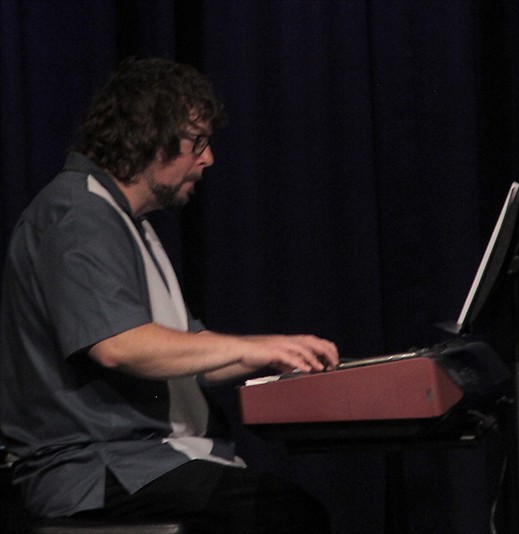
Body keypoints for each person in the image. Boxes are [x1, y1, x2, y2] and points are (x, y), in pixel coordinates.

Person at [0, 57, 339, 533]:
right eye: (197, 142)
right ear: (148, 137)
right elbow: (120, 345)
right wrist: (251, 348)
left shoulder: (126, 221)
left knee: (284, 505)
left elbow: (192, 355)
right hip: (96, 468)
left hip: (140, 459)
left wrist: (277, 350)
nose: (208, 158)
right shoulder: (77, 215)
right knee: (282, 512)